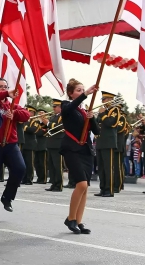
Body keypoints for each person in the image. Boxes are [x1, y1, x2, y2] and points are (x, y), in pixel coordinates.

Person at [0, 78, 27, 221]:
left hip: (10, 144)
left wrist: (15, 114)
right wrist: (6, 93)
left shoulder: (11, 104)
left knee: (20, 168)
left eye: (6, 87)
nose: (4, 89)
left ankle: (7, 197)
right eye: (0, 87)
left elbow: (26, 115)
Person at [60, 79, 99, 234]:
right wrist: (86, 94)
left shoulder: (84, 111)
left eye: (82, 89)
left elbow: (96, 132)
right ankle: (70, 218)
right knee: (81, 184)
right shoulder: (66, 106)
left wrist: (92, 118)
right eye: (78, 90)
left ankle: (78, 220)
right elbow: (70, 107)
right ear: (71, 93)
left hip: (85, 151)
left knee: (85, 188)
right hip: (72, 149)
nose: (81, 92)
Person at [93, 91, 119, 197]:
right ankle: (103, 188)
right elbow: (98, 124)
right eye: (102, 100)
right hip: (100, 141)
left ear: (109, 100)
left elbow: (111, 123)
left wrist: (102, 114)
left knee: (108, 167)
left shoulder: (115, 110)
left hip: (109, 142)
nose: (103, 102)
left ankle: (109, 190)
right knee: (102, 167)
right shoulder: (103, 111)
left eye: (104, 100)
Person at [46, 99, 65, 191]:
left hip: (58, 143)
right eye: (53, 106)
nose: (53, 108)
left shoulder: (63, 116)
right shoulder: (53, 116)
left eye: (55, 106)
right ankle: (53, 183)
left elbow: (61, 126)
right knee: (52, 166)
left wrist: (48, 123)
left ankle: (59, 185)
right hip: (51, 142)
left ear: (60, 108)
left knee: (58, 166)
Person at [34, 110, 49, 184]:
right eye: (39, 113)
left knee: (43, 163)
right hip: (36, 145)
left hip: (43, 145)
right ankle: (39, 178)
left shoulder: (46, 123)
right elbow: (35, 131)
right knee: (37, 163)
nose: (40, 114)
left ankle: (44, 178)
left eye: (42, 113)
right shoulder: (36, 122)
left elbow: (42, 132)